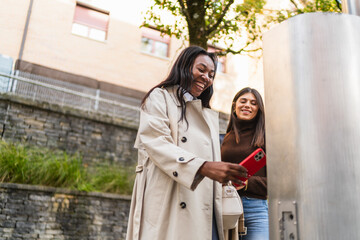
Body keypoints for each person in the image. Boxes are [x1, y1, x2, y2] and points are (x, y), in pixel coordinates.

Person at [126, 46, 248, 240]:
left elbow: (209, 164)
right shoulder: (159, 97)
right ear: (184, 66)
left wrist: (225, 177)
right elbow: (157, 143)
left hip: (205, 207)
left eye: (211, 74)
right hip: (170, 200)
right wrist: (202, 167)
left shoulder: (208, 116)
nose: (207, 78)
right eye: (201, 69)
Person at [221, 87, 268, 240]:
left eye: (253, 103)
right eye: (243, 101)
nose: (247, 105)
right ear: (235, 105)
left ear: (258, 110)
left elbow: (280, 182)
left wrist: (246, 183)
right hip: (224, 206)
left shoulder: (266, 137)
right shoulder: (224, 138)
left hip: (255, 209)